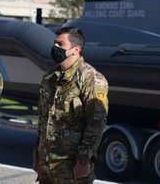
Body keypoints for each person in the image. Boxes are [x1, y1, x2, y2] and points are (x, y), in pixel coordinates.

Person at [33, 27, 108, 184]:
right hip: (47, 165)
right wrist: (37, 156)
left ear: (76, 49)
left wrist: (83, 161)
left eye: (61, 44)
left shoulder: (90, 78)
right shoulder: (49, 77)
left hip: (71, 167)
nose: (55, 48)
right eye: (55, 43)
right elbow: (43, 119)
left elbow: (96, 123)